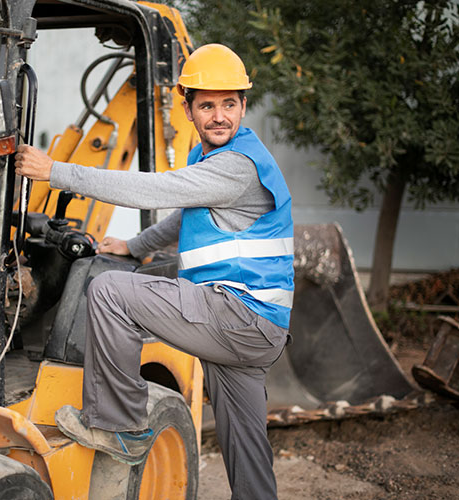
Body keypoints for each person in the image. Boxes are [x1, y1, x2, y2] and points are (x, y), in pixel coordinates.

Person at [15, 43, 293, 500]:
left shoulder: (237, 166)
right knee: (247, 454)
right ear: (187, 108)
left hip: (238, 315)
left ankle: (120, 425)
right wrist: (133, 245)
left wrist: (56, 171)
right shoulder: (226, 161)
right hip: (260, 329)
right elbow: (186, 215)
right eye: (207, 105)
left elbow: (154, 189)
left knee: (110, 292)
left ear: (243, 105)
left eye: (229, 104)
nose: (219, 115)